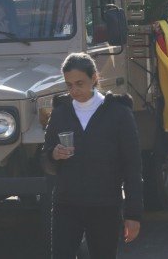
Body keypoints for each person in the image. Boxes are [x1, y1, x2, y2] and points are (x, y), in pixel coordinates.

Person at [43, 53, 142, 258]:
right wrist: (54, 155)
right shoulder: (61, 112)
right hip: (66, 204)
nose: (74, 90)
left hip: (104, 205)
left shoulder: (118, 112)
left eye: (80, 83)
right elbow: (45, 162)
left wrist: (133, 215)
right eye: (69, 85)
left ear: (95, 77)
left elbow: (133, 166)